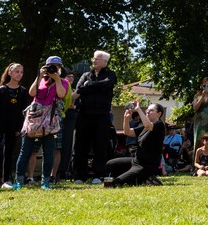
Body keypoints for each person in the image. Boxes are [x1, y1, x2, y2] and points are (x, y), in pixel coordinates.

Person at [14, 58, 70, 190]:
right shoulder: (41, 79)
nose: (53, 68)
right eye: (50, 66)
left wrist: (57, 79)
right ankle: (19, 180)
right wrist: (39, 76)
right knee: (25, 150)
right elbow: (32, 93)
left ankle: (45, 181)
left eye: (57, 66)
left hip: (50, 120)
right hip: (34, 119)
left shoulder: (63, 82)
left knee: (48, 151)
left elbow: (61, 94)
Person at [0, 62, 31, 189]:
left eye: (21, 72)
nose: (19, 74)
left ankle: (6, 181)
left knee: (9, 153)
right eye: (16, 71)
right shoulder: (1, 90)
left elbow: (23, 111)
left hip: (13, 127)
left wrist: (19, 128)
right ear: (10, 73)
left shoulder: (23, 91)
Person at [72, 50, 116, 183]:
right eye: (93, 58)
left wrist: (90, 85)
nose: (94, 60)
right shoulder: (86, 75)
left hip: (102, 116)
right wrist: (96, 87)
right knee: (80, 146)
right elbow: (79, 89)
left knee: (100, 146)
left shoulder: (110, 74)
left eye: (97, 59)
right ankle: (79, 176)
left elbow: (107, 84)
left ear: (105, 62)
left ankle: (99, 175)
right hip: (84, 114)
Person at [105, 102, 165, 187]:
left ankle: (145, 178)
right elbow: (127, 132)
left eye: (151, 110)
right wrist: (126, 118)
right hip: (136, 161)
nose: (147, 112)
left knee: (116, 184)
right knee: (110, 164)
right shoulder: (144, 127)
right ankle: (145, 178)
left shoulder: (159, 125)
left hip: (147, 165)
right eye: (147, 110)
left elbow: (149, 126)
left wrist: (138, 109)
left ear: (159, 114)